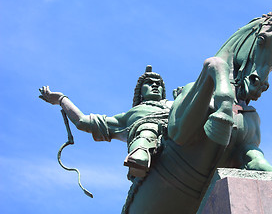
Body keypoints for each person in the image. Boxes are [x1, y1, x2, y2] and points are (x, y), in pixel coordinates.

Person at [39, 66, 173, 178]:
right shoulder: (129, 116)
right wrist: (61, 99)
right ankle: (141, 153)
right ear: (141, 92)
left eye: (159, 84)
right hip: (149, 141)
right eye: (149, 82)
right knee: (147, 126)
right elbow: (82, 121)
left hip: (180, 132)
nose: (155, 85)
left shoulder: (174, 104)